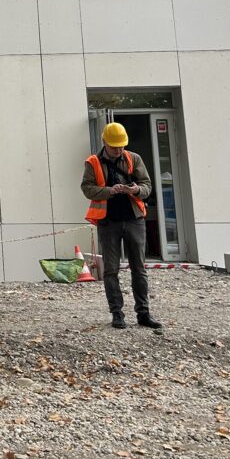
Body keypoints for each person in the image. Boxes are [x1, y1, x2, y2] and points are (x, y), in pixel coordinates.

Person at [80, 122, 163, 330]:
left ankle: (143, 313)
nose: (118, 150)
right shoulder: (92, 163)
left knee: (139, 268)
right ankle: (117, 314)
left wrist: (135, 190)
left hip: (134, 219)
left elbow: (147, 186)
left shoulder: (133, 158)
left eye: (121, 146)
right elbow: (87, 189)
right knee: (111, 270)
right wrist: (109, 191)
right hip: (108, 222)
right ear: (105, 142)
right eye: (115, 146)